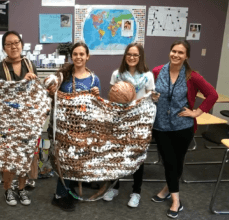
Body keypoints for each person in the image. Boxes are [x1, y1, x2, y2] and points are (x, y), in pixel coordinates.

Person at [151, 40, 218, 218]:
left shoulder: (192, 76)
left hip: (183, 127)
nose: (176, 55)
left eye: (181, 52)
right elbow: (149, 94)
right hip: (161, 126)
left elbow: (212, 94)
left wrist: (197, 112)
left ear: (186, 56)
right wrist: (152, 97)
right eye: (174, 51)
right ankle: (173, 196)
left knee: (176, 162)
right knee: (169, 162)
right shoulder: (157, 72)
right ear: (169, 52)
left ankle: (172, 196)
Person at [47, 42, 100, 212]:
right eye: (75, 54)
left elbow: (95, 106)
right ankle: (59, 195)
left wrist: (96, 96)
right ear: (71, 56)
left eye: (81, 54)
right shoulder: (63, 75)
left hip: (83, 126)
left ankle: (68, 190)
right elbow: (50, 89)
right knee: (64, 160)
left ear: (87, 56)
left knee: (77, 160)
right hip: (64, 126)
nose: (78, 57)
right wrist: (51, 89)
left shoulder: (93, 79)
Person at [103, 43, 155, 208]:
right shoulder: (117, 74)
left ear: (140, 57)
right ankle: (114, 187)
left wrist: (155, 98)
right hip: (120, 121)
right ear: (125, 56)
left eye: (135, 55)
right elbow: (113, 97)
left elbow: (151, 97)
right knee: (116, 155)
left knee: (137, 156)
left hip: (139, 122)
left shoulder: (147, 76)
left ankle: (136, 192)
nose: (132, 57)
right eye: (129, 54)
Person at [0, 30, 38, 206]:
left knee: (24, 156)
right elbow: (0, 96)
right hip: (8, 120)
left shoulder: (29, 64)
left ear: (22, 44)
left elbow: (34, 91)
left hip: (27, 119)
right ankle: (8, 189)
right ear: (4, 48)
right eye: (9, 44)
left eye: (16, 42)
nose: (13, 46)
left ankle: (21, 188)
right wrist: (22, 84)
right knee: (9, 157)